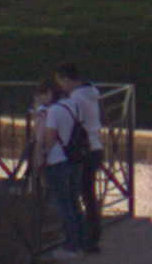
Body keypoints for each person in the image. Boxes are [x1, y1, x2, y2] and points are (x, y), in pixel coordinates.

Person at [32, 65, 108, 255]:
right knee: (82, 197)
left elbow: (50, 135)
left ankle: (80, 241)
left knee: (72, 200)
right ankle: (87, 239)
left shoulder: (72, 101)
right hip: (90, 146)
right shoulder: (88, 95)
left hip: (77, 152)